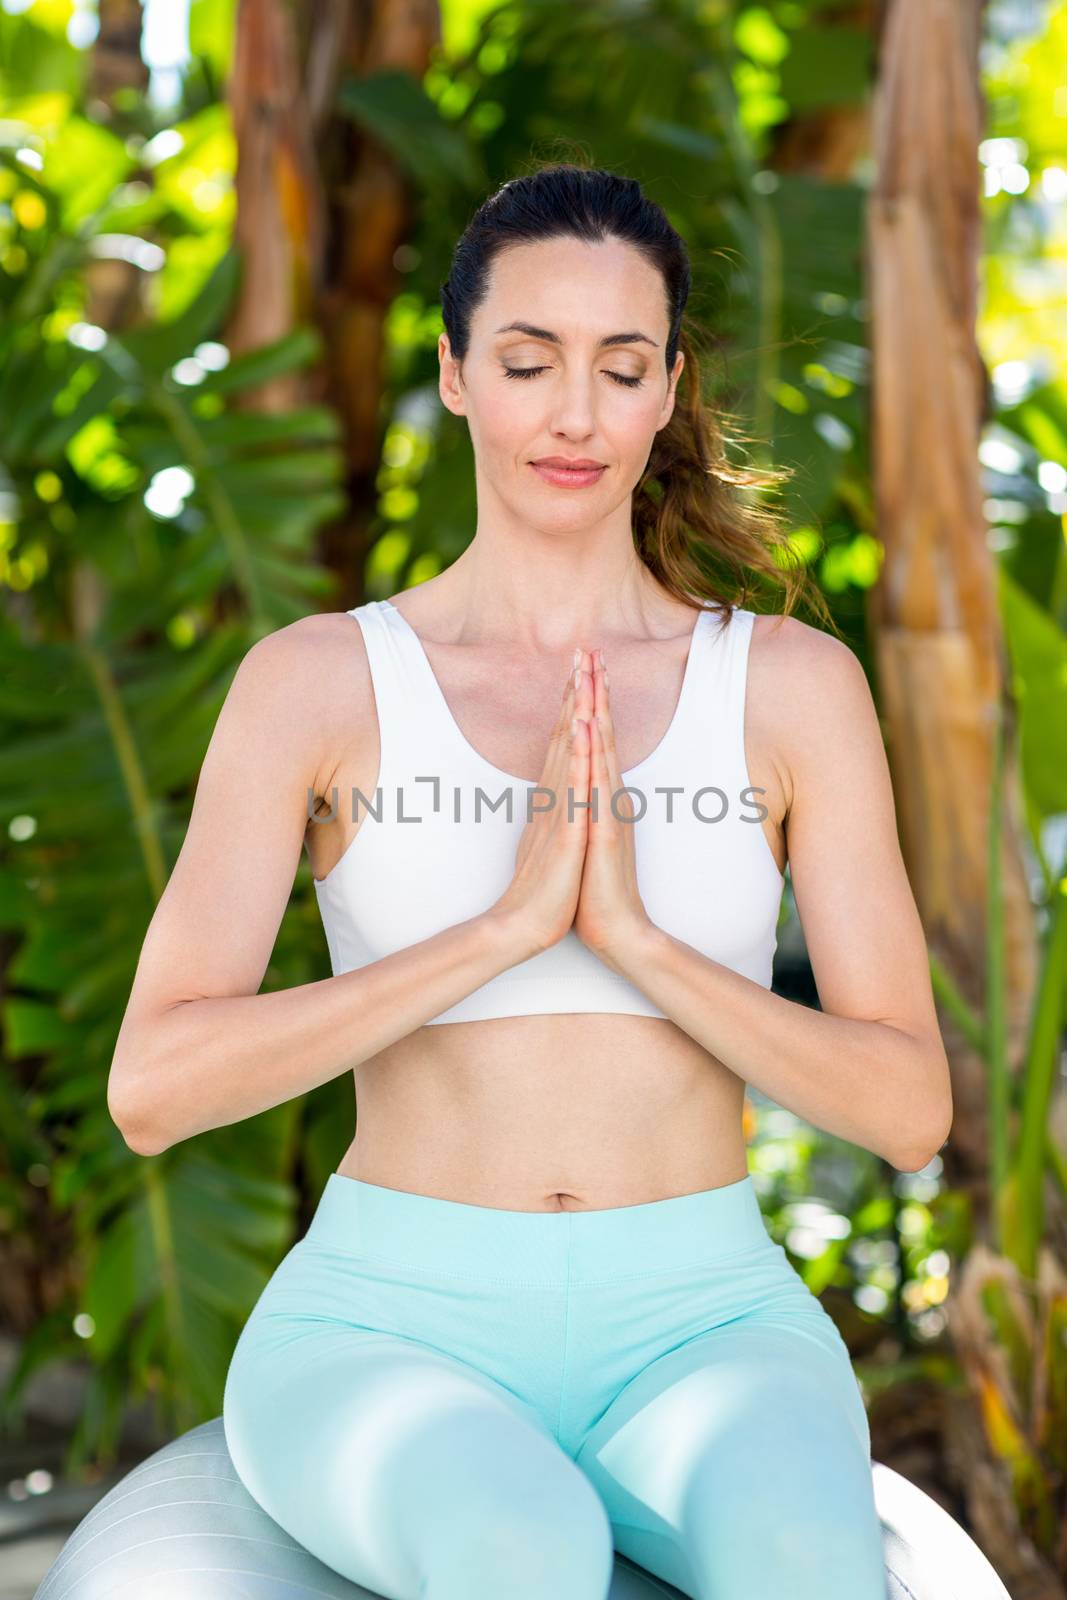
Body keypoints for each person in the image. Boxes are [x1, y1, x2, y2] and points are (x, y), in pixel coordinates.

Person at [108, 163, 952, 1600]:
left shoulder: (791, 689)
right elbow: (154, 1088)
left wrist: (630, 936)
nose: (574, 414)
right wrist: (502, 929)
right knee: (525, 1557)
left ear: (670, 388)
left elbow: (906, 1107)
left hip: (708, 1320)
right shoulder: (318, 683)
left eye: (622, 369)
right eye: (526, 361)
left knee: (809, 1565)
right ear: (454, 373)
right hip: (390, 1326)